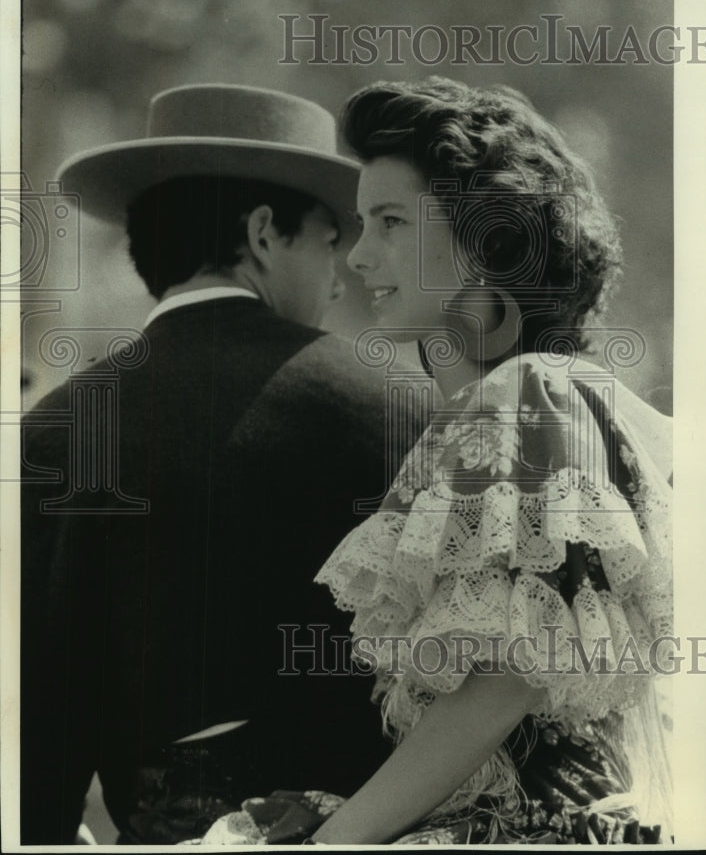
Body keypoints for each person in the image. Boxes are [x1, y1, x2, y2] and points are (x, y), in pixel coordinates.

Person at [198, 78, 673, 845]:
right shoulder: (570, 398)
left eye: (390, 222)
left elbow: (501, 683)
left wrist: (336, 841)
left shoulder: (528, 394)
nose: (357, 255)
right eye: (357, 224)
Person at [20, 84, 422, 844]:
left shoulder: (52, 432)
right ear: (265, 233)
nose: (343, 279)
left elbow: (36, 724)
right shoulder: (395, 404)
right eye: (330, 242)